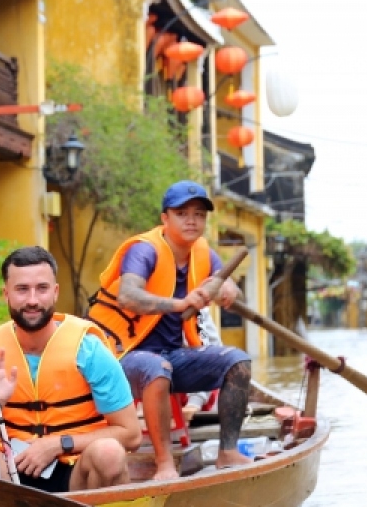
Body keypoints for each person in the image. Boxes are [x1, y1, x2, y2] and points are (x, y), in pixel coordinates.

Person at [87, 180, 252, 481]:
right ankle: (164, 465)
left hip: (173, 356)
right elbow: (129, 296)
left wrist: (229, 286)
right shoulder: (143, 250)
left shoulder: (202, 253)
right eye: (182, 213)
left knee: (237, 361)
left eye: (199, 214)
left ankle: (227, 452)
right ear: (165, 218)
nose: (192, 220)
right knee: (156, 367)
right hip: (122, 356)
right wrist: (180, 304)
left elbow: (232, 294)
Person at [0, 246, 141, 492]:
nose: (32, 300)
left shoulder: (89, 351)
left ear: (55, 292)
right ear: (6, 294)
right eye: (22, 289)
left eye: (41, 288)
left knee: (109, 452)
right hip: (13, 472)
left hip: (76, 470)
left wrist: (58, 444)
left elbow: (131, 435)